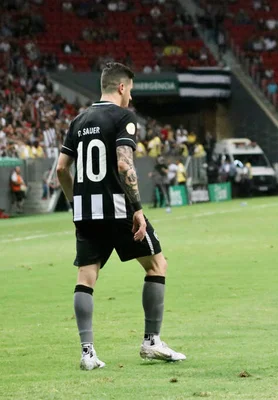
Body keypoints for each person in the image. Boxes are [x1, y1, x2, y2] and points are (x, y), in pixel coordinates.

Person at [55, 62, 185, 371]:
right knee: (157, 264)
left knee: (86, 276)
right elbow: (125, 165)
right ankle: (151, 341)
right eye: (131, 91)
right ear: (122, 87)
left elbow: (61, 168)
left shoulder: (78, 120)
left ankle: (87, 353)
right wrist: (138, 208)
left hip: (86, 212)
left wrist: (76, 202)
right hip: (118, 207)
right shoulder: (124, 117)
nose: (131, 98)